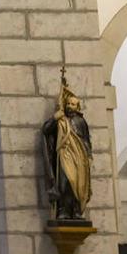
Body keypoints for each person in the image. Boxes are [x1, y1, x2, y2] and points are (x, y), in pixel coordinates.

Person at [41, 81, 92, 219]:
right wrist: (54, 118)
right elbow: (45, 130)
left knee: (78, 183)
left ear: (78, 107)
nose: (70, 106)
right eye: (68, 103)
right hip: (64, 155)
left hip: (79, 157)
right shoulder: (60, 120)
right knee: (65, 182)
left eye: (73, 104)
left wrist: (89, 156)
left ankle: (76, 210)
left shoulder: (81, 122)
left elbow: (86, 140)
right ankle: (63, 210)